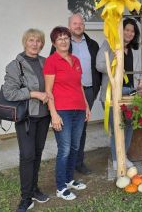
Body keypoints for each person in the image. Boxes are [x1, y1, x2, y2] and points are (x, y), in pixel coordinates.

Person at [2, 29, 50, 212]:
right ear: (25, 42)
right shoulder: (15, 65)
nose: (35, 44)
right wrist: (33, 93)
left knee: (37, 154)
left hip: (43, 117)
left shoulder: (45, 62)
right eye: (31, 40)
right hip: (26, 118)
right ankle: (25, 198)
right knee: (27, 155)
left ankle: (34, 188)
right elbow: (9, 92)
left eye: (38, 41)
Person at [51, 13, 101, 175]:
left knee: (82, 129)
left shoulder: (93, 44)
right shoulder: (62, 43)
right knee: (67, 131)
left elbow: (98, 68)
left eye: (80, 23)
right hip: (65, 95)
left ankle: (78, 162)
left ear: (84, 26)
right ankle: (66, 165)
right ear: (69, 25)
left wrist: (95, 89)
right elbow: (52, 71)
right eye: (74, 23)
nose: (78, 26)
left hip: (87, 92)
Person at [44, 26, 90, 200]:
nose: (64, 41)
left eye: (66, 37)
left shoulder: (75, 60)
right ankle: (61, 187)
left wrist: (86, 105)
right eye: (60, 38)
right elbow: (48, 91)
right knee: (64, 149)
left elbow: (79, 85)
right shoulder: (51, 61)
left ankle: (70, 179)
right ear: (54, 43)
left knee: (75, 147)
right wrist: (53, 114)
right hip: (62, 111)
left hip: (79, 110)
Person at [96, 18, 142, 170]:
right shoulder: (109, 44)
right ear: (120, 30)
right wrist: (115, 69)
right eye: (126, 29)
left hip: (133, 92)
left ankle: (123, 156)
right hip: (113, 92)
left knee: (129, 126)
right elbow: (99, 64)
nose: (129, 33)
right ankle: (116, 159)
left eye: (132, 31)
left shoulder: (138, 48)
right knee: (117, 127)